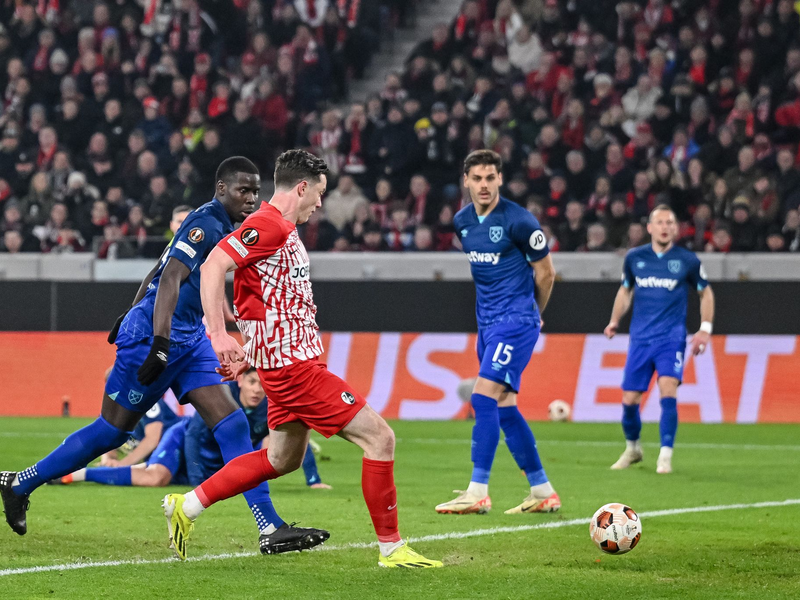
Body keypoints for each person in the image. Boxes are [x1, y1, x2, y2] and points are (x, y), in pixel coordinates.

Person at [0, 157, 328, 557]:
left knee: (231, 423)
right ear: (221, 189)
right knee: (112, 432)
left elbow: (155, 270)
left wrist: (132, 308)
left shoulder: (235, 226)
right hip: (158, 337)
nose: (250, 198)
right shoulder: (205, 222)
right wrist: (153, 338)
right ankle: (20, 482)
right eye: (243, 190)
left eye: (255, 191)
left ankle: (269, 527)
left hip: (189, 341)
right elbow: (169, 276)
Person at [161, 149, 441, 568]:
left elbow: (260, 302)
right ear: (303, 187)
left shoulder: (285, 230)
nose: (320, 203)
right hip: (296, 372)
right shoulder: (268, 225)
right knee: (380, 439)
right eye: (320, 193)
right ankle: (391, 548)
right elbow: (213, 264)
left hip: (286, 365)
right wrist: (218, 334)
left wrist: (251, 353)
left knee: (281, 459)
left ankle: (189, 505)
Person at [435, 149, 560, 516]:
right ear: (467, 182)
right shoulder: (462, 221)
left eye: (491, 178)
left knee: (482, 396)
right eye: (477, 179)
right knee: (504, 407)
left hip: (516, 322)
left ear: (500, 180)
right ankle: (542, 490)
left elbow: (547, 273)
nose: (484, 185)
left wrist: (535, 313)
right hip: (487, 325)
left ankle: (478, 490)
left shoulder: (520, 221)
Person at [55, 369, 330, 490]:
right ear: (241, 382)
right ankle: (75, 475)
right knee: (155, 478)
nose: (257, 389)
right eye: (252, 382)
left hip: (212, 461)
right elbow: (192, 433)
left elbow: (292, 438)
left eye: (262, 384)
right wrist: (198, 481)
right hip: (184, 443)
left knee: (271, 447)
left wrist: (313, 479)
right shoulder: (222, 398)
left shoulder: (270, 406)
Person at [604, 204, 715, 474]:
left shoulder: (687, 260)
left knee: (668, 388)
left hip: (671, 338)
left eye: (670, 222)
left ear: (676, 229)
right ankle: (633, 448)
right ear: (650, 228)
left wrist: (705, 329)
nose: (665, 227)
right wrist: (614, 320)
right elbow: (625, 291)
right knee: (630, 400)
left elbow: (706, 294)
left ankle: (665, 455)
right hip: (640, 340)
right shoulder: (635, 258)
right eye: (660, 222)